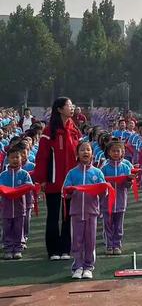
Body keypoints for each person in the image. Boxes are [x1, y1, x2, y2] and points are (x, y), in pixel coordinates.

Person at [34, 97, 81, 260]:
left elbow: (81, 153)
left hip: (71, 181)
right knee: (53, 215)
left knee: (69, 215)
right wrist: (42, 180)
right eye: (69, 105)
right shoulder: (49, 131)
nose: (72, 108)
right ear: (60, 109)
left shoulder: (74, 129)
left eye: (72, 105)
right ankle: (53, 250)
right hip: (53, 180)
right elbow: (42, 157)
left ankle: (66, 248)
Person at [63, 141, 106, 279]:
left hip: (91, 212)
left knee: (90, 240)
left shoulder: (97, 172)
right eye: (82, 150)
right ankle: (77, 266)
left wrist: (102, 190)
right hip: (76, 212)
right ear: (77, 154)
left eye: (88, 150)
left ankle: (88, 266)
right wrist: (69, 191)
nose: (85, 152)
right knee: (77, 240)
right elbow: (65, 192)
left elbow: (103, 192)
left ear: (92, 154)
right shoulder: (72, 173)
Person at [0, 144, 33, 260]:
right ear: (8, 159)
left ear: (21, 159)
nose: (15, 160)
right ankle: (8, 248)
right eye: (12, 157)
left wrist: (30, 204)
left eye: (17, 157)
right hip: (6, 207)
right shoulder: (3, 175)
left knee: (19, 227)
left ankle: (18, 248)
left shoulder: (25, 174)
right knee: (7, 227)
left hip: (20, 207)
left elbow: (29, 189)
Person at [101, 139, 133, 255]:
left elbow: (128, 186)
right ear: (109, 152)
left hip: (120, 201)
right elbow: (101, 184)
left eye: (118, 151)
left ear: (122, 152)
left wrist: (129, 180)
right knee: (108, 224)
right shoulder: (104, 168)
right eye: (113, 151)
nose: (115, 153)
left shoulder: (125, 167)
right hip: (107, 202)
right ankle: (109, 245)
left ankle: (117, 244)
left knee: (119, 225)